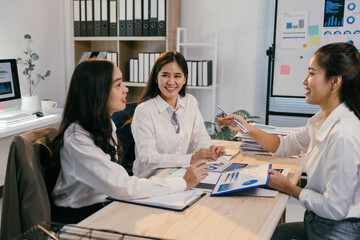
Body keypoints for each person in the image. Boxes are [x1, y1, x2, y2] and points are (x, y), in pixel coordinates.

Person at [218, 43, 360, 239]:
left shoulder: (343, 134)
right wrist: (247, 127)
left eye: (311, 73)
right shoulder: (322, 119)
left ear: (335, 81)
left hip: (336, 231)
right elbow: (284, 145)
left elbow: (335, 209)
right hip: (317, 222)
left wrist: (289, 188)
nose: (304, 81)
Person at [51, 59, 209, 224]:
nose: (126, 90)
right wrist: (183, 182)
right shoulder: (77, 139)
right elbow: (122, 186)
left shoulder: (105, 124)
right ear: (97, 91)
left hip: (107, 203)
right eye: (118, 85)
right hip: (80, 218)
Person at [131, 51, 225, 178]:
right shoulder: (144, 111)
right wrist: (191, 159)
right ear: (155, 77)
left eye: (177, 76)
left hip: (180, 175)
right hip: (152, 181)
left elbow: (200, 137)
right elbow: (148, 158)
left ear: (184, 78)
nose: (171, 82)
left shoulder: (190, 102)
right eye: (165, 75)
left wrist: (210, 150)